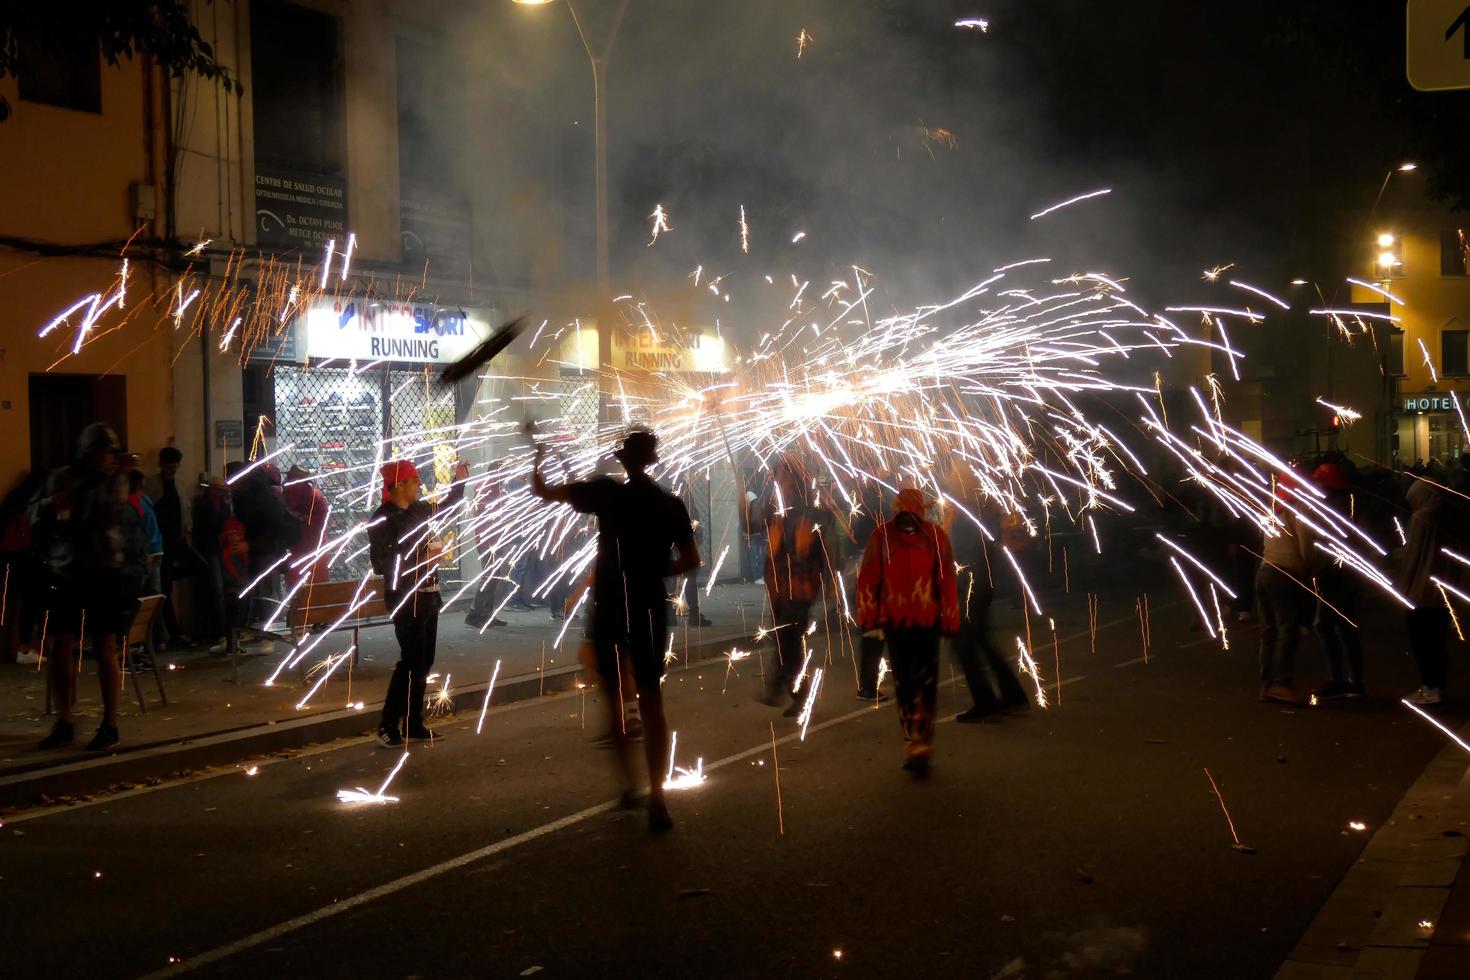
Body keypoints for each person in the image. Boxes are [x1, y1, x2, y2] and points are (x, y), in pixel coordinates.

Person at [531, 429, 700, 832]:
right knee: (651, 698)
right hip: (646, 605)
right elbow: (692, 558)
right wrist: (660, 570)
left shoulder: (607, 493)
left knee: (613, 700)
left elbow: (543, 491)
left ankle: (630, 784)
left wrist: (537, 454)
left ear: (624, 460)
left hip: (609, 605)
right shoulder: (669, 504)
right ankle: (658, 796)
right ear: (651, 460)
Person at [30, 423, 127, 751]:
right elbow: (33, 513)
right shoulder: (62, 477)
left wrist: (103, 480)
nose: (106, 458)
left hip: (102, 569)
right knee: (61, 647)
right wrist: (49, 505)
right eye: (101, 452)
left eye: (109, 453)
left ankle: (110, 723)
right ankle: (64, 719)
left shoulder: (114, 481)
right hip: (67, 569)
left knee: (105, 648)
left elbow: (107, 515)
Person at [856, 487, 960, 777]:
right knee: (904, 683)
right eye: (903, 515)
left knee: (925, 683)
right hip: (896, 622)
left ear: (921, 513)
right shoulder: (881, 537)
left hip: (927, 622)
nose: (908, 521)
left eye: (913, 515)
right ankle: (913, 741)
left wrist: (950, 616)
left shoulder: (937, 538)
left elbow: (947, 579)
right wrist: (868, 614)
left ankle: (921, 742)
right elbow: (868, 578)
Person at [368, 456, 468, 747]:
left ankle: (413, 722)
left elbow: (448, 506)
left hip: (428, 595)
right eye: (414, 480)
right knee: (410, 662)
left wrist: (459, 479)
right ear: (398, 484)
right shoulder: (383, 518)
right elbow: (381, 563)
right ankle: (388, 724)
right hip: (404, 599)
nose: (419, 484)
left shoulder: (419, 509)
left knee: (424, 662)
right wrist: (420, 560)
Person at [752, 456, 834, 716]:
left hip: (800, 588)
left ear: (795, 481)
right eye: (777, 477)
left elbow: (824, 551)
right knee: (784, 637)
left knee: (788, 636)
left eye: (783, 477)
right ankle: (787, 688)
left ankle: (791, 690)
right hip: (778, 586)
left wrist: (804, 553)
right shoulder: (775, 508)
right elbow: (751, 524)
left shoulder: (812, 512)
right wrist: (746, 503)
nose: (779, 482)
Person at [948, 494, 1030, 721]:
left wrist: (956, 586)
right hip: (980, 585)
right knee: (982, 641)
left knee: (963, 644)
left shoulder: (968, 516)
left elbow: (963, 554)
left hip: (971, 588)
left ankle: (986, 703)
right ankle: (1013, 696)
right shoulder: (978, 511)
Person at [1255, 471, 1321, 706]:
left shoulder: (1273, 507)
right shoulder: (1299, 507)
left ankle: (1266, 684)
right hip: (1284, 573)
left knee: (1269, 631)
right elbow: (1306, 545)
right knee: (1287, 629)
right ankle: (1281, 683)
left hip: (1265, 570)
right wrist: (1310, 571)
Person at [1401, 478, 1458, 704]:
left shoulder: (1421, 519)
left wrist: (1403, 581)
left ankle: (1429, 686)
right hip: (1443, 588)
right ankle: (1436, 686)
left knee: (1422, 640)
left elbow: (1412, 555)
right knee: (1437, 641)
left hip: (1422, 590)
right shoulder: (1448, 517)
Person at [1311, 462, 1365, 700]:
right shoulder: (1346, 504)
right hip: (1346, 574)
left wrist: (1319, 568)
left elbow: (1331, 544)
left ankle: (1338, 679)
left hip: (1338, 575)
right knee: (1345, 627)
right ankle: (1354, 681)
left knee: (1324, 625)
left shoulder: (1334, 509)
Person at [147, 446, 198, 648]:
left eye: (175, 467)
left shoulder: (179, 484)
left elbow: (185, 509)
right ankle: (173, 634)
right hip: (161, 545)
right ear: (161, 465)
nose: (172, 471)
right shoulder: (152, 485)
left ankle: (169, 575)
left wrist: (187, 531)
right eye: (168, 467)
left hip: (177, 542)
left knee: (199, 566)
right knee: (164, 592)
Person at [1, 471, 45, 665]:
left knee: (9, 606)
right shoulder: (33, 505)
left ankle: (9, 649)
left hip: (6, 557)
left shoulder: (12, 500)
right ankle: (24, 649)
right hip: (24, 556)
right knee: (30, 603)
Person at [193, 475, 232, 652]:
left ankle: (224, 629)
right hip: (212, 550)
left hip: (218, 550)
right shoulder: (207, 506)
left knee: (221, 589)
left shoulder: (217, 505)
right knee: (218, 590)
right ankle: (222, 629)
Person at [283, 464, 330, 586]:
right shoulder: (315, 495)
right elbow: (321, 522)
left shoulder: (285, 495)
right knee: (318, 589)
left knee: (296, 591)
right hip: (316, 549)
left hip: (296, 549)